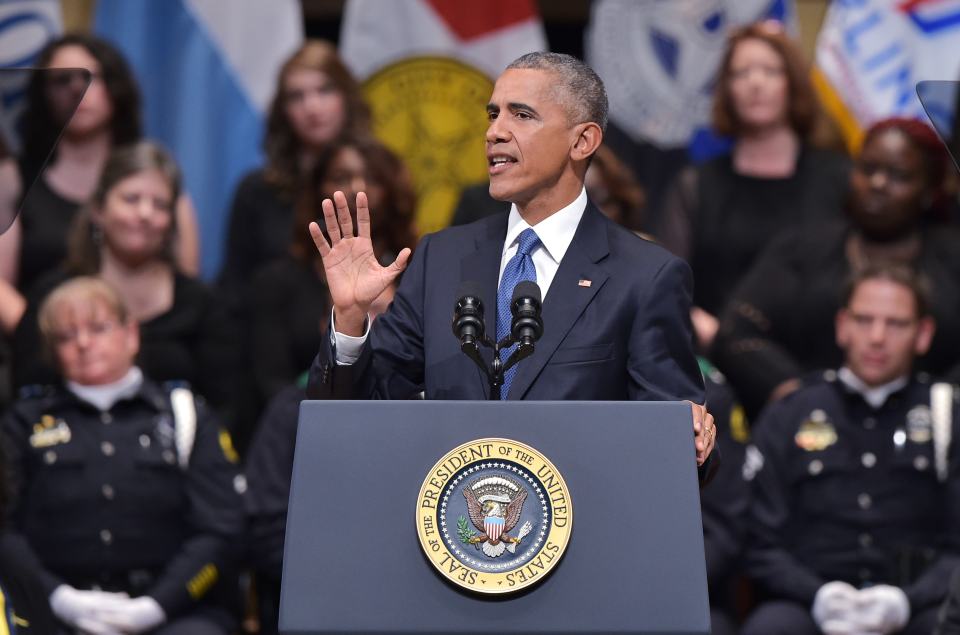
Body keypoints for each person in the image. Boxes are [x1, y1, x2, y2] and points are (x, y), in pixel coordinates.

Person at [306, 52, 716, 466]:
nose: (494, 132)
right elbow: (355, 415)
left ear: (582, 141)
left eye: (521, 115)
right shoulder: (441, 259)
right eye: (493, 114)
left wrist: (693, 443)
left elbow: (676, 451)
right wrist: (351, 320)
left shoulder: (645, 276)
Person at [0, 276, 244, 634]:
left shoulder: (185, 415)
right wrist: (57, 598)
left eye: (98, 328)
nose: (83, 343)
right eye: (66, 336)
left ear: (131, 334)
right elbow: (4, 529)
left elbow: (221, 528)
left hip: (174, 612)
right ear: (52, 351)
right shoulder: (24, 422)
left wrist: (156, 606)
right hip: (51, 610)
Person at [740, 264, 960, 635]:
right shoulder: (791, 412)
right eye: (863, 319)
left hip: (917, 605)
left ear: (923, 334)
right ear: (842, 326)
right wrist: (817, 595)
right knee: (769, 627)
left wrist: (908, 600)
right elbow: (758, 541)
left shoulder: (947, 415)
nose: (877, 337)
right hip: (809, 604)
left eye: (896, 324)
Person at [714, 117, 960, 417]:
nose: (878, 184)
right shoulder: (802, 249)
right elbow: (736, 332)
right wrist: (803, 396)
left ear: (929, 190)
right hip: (811, 429)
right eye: (868, 169)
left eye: (898, 175)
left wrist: (939, 408)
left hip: (932, 432)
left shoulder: (952, 258)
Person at [11, 141, 240, 427]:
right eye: (131, 199)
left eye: (160, 205)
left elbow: (227, 410)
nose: (145, 214)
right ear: (98, 209)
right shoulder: (51, 295)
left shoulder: (202, 304)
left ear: (170, 222)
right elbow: (25, 399)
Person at [656, 22, 849, 350]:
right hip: (715, 358)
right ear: (726, 89)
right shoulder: (697, 185)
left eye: (770, 71)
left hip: (820, 358)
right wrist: (699, 324)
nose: (755, 83)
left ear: (793, 83)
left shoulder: (839, 177)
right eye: (741, 73)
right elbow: (663, 283)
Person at [15, 34, 198, 294]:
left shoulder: (159, 181)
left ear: (116, 86)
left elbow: (186, 290)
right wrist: (43, 325)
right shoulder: (14, 179)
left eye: (92, 77)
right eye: (61, 79)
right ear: (43, 93)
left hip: (148, 330)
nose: (77, 88)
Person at [249, 136, 416, 407]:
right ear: (317, 189)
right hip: (300, 424)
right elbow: (272, 388)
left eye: (372, 179)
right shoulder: (277, 282)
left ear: (393, 190)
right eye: (341, 177)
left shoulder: (420, 274)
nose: (356, 189)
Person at [218, 40, 371, 307]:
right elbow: (234, 291)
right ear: (283, 110)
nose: (312, 107)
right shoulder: (257, 191)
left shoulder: (376, 183)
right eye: (296, 96)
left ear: (346, 98)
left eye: (324, 90)